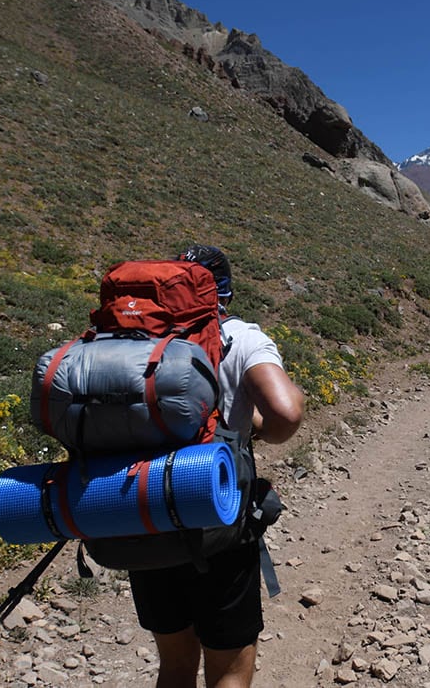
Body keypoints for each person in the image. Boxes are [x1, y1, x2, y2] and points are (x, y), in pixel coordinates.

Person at [128, 244, 305, 688]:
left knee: (174, 663)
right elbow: (286, 415)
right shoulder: (242, 338)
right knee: (227, 665)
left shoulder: (135, 340)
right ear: (226, 291)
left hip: (143, 515)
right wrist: (253, 431)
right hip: (219, 525)